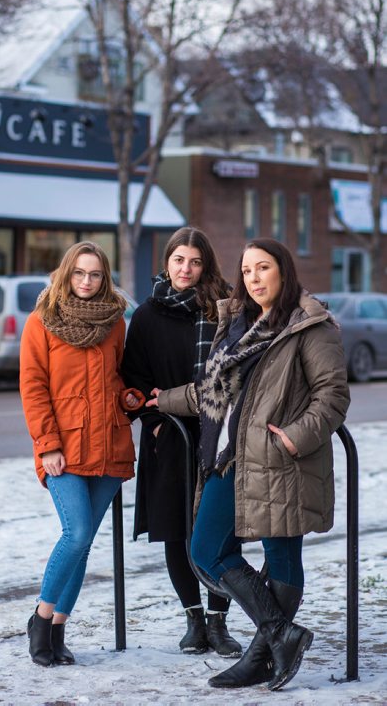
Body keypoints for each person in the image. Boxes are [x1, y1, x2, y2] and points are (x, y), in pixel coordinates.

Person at [147, 237, 350, 691]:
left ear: (284, 271)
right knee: (205, 549)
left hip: (281, 458)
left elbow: (333, 396)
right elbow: (214, 390)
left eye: (263, 268)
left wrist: (296, 438)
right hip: (229, 455)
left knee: (281, 553)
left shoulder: (310, 326)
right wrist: (167, 399)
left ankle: (262, 656)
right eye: (247, 270)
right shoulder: (237, 321)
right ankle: (281, 633)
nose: (254, 278)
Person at [20, 241, 144, 668]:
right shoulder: (41, 322)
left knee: (85, 542)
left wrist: (131, 399)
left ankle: (58, 629)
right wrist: (47, 444)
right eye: (79, 273)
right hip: (64, 449)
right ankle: (40, 617)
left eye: (95, 275)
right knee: (75, 534)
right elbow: (33, 389)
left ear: (104, 277)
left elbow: (118, 378)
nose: (87, 282)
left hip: (108, 443)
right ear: (65, 274)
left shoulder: (115, 323)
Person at [122, 226, 242, 658]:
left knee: (220, 531)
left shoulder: (226, 308)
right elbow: (133, 379)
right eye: (178, 260)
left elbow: (240, 369)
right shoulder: (149, 314)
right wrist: (153, 423)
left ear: (205, 264)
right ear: (167, 262)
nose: (186, 269)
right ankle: (193, 619)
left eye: (195, 261)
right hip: (170, 437)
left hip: (220, 435)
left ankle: (218, 621)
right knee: (176, 530)